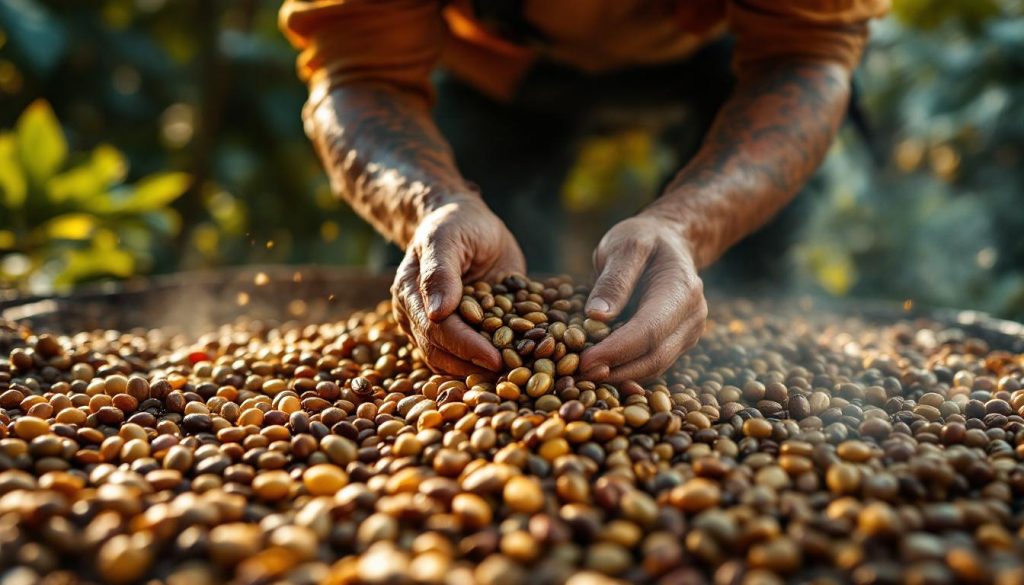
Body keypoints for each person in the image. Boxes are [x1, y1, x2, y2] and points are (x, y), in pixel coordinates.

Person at [280, 0, 889, 382]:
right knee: (445, 289)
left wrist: (688, 225)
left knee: (747, 287)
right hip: (495, 62)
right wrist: (432, 201)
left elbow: (807, 58)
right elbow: (358, 72)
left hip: (718, 47)